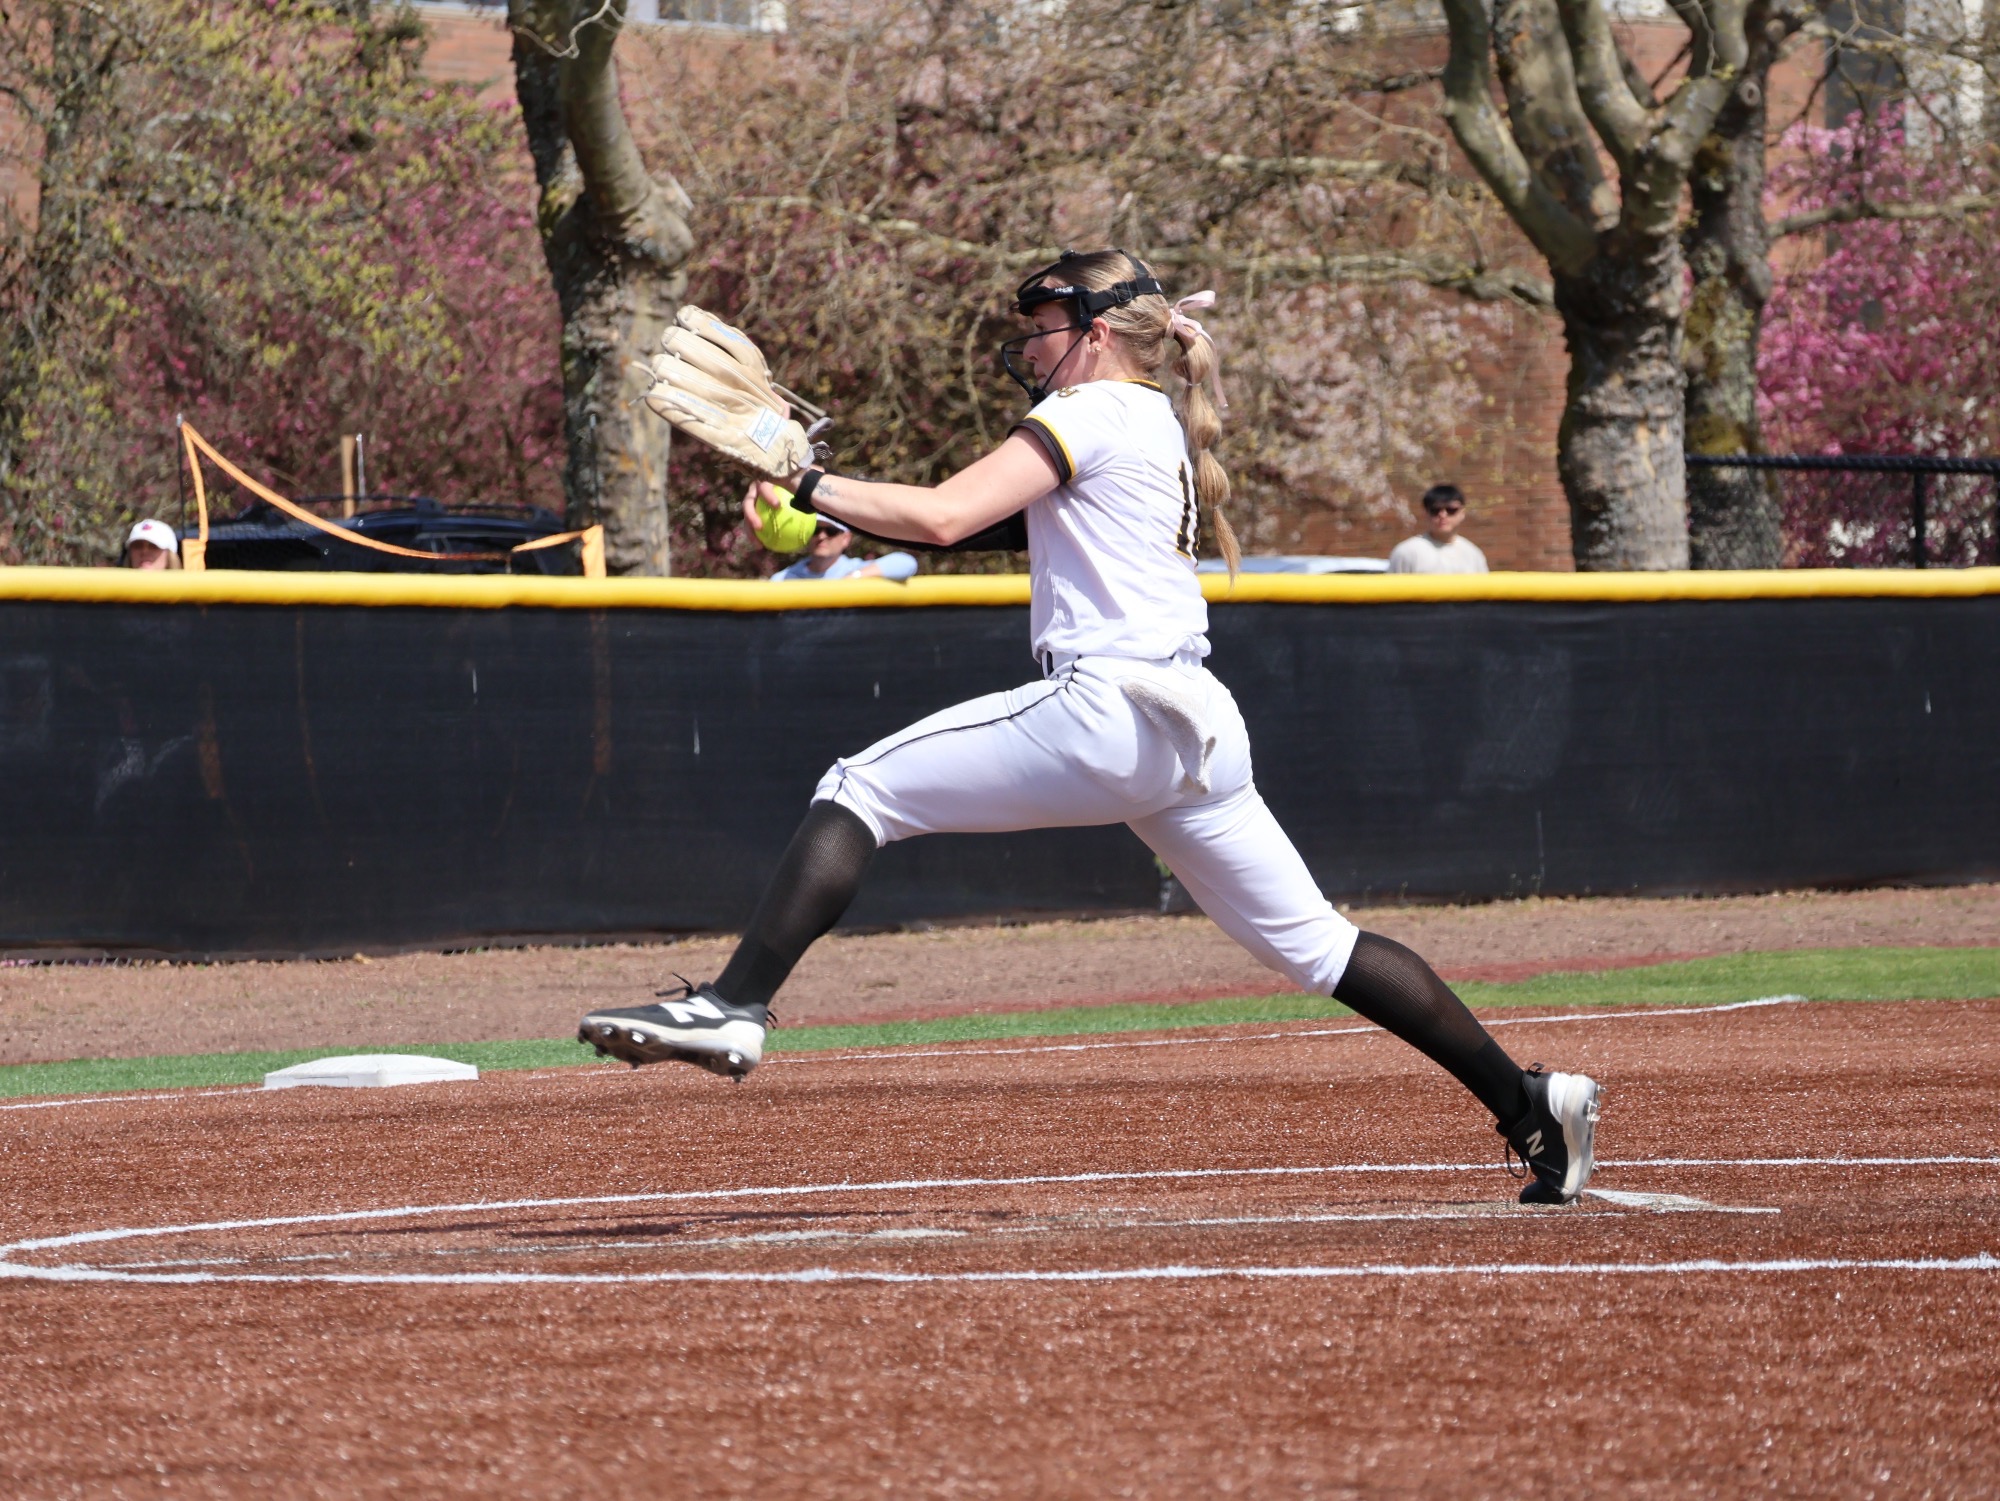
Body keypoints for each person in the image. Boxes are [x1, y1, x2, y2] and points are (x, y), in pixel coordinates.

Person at [581, 250, 1601, 1203]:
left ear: (1101, 330)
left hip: (1108, 708)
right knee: (1320, 950)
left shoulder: (1089, 410)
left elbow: (939, 515)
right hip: (1193, 724)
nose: (1027, 346)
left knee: (860, 786)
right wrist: (826, 513)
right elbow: (972, 527)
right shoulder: (1145, 417)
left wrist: (802, 473)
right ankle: (1528, 1104)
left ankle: (735, 1005)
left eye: (1043, 325)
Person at [744, 483, 919, 581]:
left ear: (846, 538)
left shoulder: (855, 569)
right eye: (815, 530)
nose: (821, 536)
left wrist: (855, 578)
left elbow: (907, 563)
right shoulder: (786, 578)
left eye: (831, 531)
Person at [1387, 483, 1488, 574]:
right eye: (1435, 510)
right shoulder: (1406, 552)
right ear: (1426, 513)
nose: (1443, 515)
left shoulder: (1473, 554)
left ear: (1462, 513)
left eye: (1451, 510)